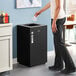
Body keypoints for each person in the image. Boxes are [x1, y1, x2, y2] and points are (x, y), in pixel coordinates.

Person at [34, 0, 76, 74]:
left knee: (60, 43)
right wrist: (40, 11)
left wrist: (54, 22)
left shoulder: (56, 20)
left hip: (58, 19)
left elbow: (58, 7)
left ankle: (71, 67)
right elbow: (51, 3)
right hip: (58, 18)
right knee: (57, 43)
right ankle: (58, 65)